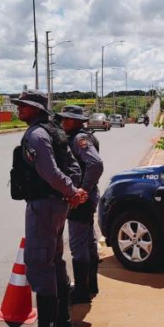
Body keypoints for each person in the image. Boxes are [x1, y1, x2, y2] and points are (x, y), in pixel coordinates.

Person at [10, 90, 87, 327]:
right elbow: (73, 167)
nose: (19, 109)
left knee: (39, 264)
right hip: (57, 204)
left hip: (44, 205)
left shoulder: (36, 135)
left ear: (36, 109)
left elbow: (50, 171)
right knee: (54, 261)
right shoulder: (55, 132)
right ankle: (62, 319)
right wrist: (73, 190)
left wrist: (72, 191)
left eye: (24, 106)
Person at [56, 105, 104, 304]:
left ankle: (82, 291)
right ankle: (91, 284)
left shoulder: (79, 139)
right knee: (88, 240)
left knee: (78, 245)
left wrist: (82, 189)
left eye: (67, 119)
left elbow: (96, 164)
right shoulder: (82, 136)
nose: (63, 122)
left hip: (82, 198)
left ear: (76, 121)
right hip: (88, 196)